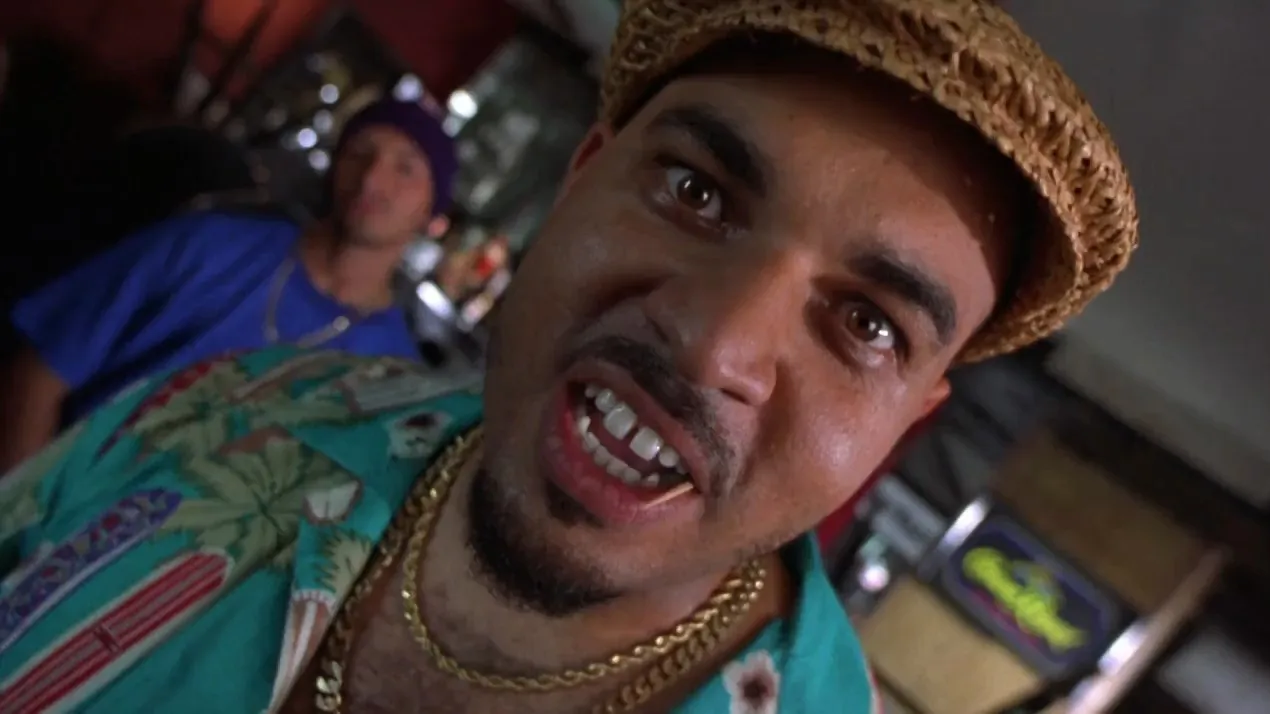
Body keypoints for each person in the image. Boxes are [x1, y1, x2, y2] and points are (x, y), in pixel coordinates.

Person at [0, 1, 1139, 712]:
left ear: (907, 421)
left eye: (868, 323)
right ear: (580, 177)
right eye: (696, 192)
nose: (713, 340)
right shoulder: (227, 413)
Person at [0, 97, 458, 472]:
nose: (373, 178)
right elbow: (41, 371)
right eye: (360, 152)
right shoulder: (209, 243)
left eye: (405, 168)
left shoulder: (392, 376)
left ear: (431, 213)